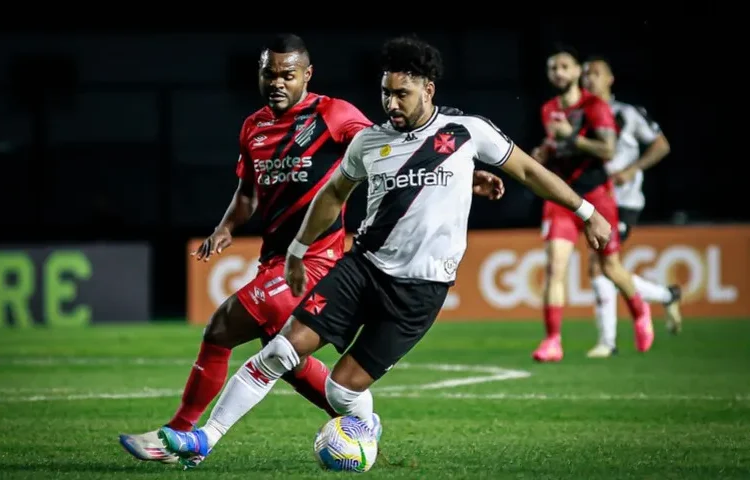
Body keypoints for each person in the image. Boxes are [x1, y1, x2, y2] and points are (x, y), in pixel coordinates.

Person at [155, 35, 613, 467]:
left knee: (340, 390)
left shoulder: (466, 132)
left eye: (402, 94)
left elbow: (530, 173)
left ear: (427, 89)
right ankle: (205, 437)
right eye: (385, 93)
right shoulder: (369, 142)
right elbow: (331, 196)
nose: (391, 104)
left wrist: (586, 210)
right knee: (280, 350)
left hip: (420, 291)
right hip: (363, 269)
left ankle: (363, 426)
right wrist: (296, 250)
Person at [530, 46, 653, 362]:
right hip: (561, 198)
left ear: (576, 72)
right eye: (553, 67)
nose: (558, 72)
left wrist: (571, 137)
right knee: (554, 267)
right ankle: (553, 341)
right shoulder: (547, 109)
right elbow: (557, 146)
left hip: (597, 197)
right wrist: (544, 153)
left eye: (564, 66)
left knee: (609, 267)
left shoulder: (595, 105)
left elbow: (607, 151)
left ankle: (639, 308)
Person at [581, 56, 681, 358]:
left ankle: (607, 342)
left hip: (623, 201)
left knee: (599, 265)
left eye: (596, 73)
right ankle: (666, 295)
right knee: (606, 267)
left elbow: (661, 144)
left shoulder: (627, 113)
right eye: (586, 74)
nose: (589, 79)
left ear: (610, 78)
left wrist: (634, 169)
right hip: (595, 198)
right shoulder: (579, 115)